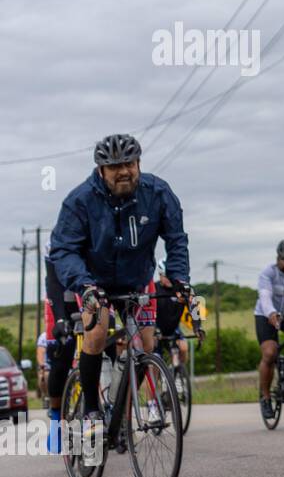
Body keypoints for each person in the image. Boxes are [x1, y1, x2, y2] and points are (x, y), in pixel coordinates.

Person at [47, 134, 191, 442]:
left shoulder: (158, 192)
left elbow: (176, 239)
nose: (123, 171)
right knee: (97, 332)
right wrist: (84, 285)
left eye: (128, 163)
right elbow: (63, 250)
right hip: (92, 283)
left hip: (136, 280)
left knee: (147, 346)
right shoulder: (79, 200)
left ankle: (119, 404)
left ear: (138, 163)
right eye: (114, 166)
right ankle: (91, 410)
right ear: (101, 170)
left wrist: (178, 279)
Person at [254, 239, 284, 419]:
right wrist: (271, 314)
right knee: (270, 353)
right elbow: (265, 296)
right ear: (278, 258)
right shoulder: (268, 273)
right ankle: (266, 398)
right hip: (265, 314)